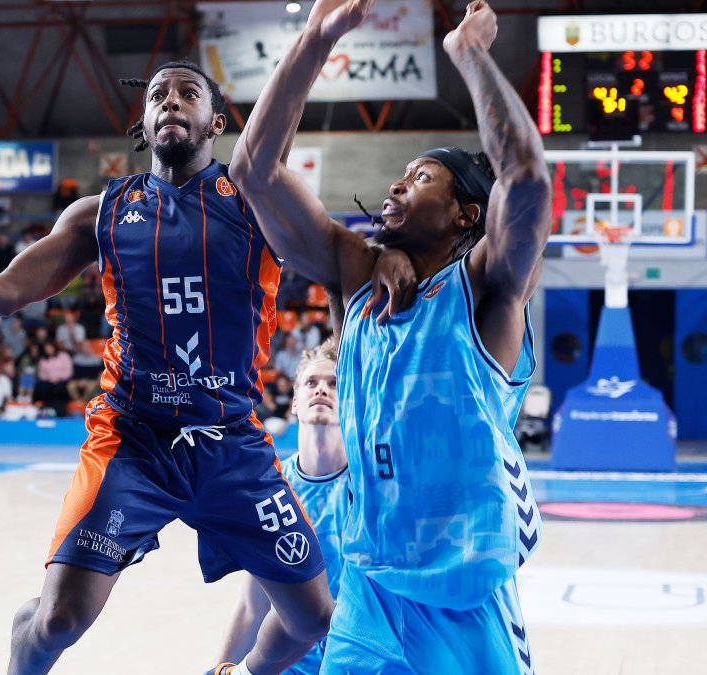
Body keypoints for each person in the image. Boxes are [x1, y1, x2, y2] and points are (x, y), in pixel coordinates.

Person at [0, 57, 342, 675]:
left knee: (312, 619)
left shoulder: (252, 202)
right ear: (142, 121)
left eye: (186, 93)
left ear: (216, 120)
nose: (169, 102)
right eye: (157, 95)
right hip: (132, 442)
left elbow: (331, 260)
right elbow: (7, 290)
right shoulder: (101, 213)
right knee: (59, 621)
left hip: (232, 445)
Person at [228, 1, 550, 673]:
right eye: (401, 173)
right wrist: (316, 38)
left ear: (466, 213)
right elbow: (254, 171)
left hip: (467, 597)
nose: (398, 182)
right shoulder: (357, 277)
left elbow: (526, 178)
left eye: (422, 174)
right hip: (369, 590)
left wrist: (469, 54)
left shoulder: (488, 289)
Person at [217, 338, 348, 675]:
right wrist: (221, 667)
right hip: (290, 665)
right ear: (294, 402)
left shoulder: (370, 485)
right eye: (312, 382)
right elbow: (252, 604)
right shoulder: (269, 486)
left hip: (357, 661)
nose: (322, 390)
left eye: (334, 384)